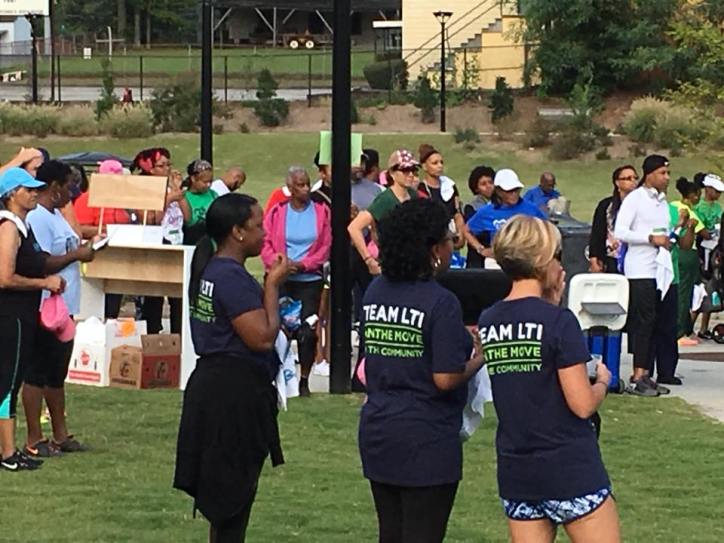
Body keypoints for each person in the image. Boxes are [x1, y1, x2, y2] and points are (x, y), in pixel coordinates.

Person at [478, 215, 620, 543]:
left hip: (517, 471)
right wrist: (602, 382)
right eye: (558, 256)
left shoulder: (490, 319)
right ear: (543, 260)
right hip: (568, 467)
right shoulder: (559, 321)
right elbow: (582, 405)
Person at [359, 198, 485, 543]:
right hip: (426, 437)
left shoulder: (375, 291)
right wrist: (479, 358)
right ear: (433, 250)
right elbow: (445, 378)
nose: (452, 246)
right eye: (448, 240)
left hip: (379, 430)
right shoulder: (441, 301)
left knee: (391, 533)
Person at [174, 193, 292, 542]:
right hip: (233, 394)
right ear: (237, 232)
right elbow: (262, 338)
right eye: (258, 226)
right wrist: (272, 286)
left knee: (225, 497)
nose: (265, 233)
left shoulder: (212, 268)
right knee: (232, 497)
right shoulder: (230, 276)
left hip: (214, 387)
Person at [23, 161, 98, 458]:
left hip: (64, 306)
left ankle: (60, 434)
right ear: (54, 187)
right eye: (70, 186)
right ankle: (34, 437)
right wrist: (76, 254)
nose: (73, 192)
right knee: (37, 372)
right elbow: (40, 262)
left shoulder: (56, 215)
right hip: (45, 305)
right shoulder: (39, 218)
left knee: (56, 372)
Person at [0, 168, 64, 472]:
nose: (35, 193)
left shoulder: (22, 226)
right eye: (28, 189)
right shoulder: (9, 228)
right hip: (10, 315)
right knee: (9, 381)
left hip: (21, 313)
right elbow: (4, 277)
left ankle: (9, 449)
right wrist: (43, 283)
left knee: (11, 380)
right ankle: (8, 452)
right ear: (12, 195)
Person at [261, 167, 331, 396]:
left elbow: (325, 246)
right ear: (290, 188)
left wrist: (303, 264)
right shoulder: (277, 212)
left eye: (307, 183)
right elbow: (265, 242)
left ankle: (304, 380)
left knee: (307, 331)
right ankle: (274, 377)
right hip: (281, 279)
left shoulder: (321, 212)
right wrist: (278, 263)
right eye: (300, 185)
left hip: (309, 280)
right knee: (276, 329)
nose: (306, 189)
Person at [614, 155, 677, 395]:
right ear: (649, 174)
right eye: (662, 173)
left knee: (656, 322)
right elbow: (621, 231)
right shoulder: (636, 198)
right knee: (643, 321)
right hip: (639, 269)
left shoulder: (662, 202)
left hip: (659, 268)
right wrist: (649, 238)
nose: (666, 178)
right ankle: (637, 374)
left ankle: (647, 373)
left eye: (667, 173)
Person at [132, 148, 185, 334]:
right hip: (155, 246)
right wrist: (168, 199)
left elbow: (187, 216)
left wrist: (176, 190)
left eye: (169, 164)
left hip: (177, 244)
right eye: (162, 165)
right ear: (150, 169)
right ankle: (153, 335)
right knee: (154, 298)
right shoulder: (144, 190)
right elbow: (150, 219)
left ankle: (178, 335)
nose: (167, 169)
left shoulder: (171, 189)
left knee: (178, 299)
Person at [348, 150, 420, 277]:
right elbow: (354, 227)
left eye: (413, 170)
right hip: (391, 264)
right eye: (405, 170)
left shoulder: (414, 195)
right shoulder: (385, 200)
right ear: (392, 173)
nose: (410, 174)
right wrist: (368, 259)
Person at [466, 169, 547, 264]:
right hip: (498, 262)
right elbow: (467, 230)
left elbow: (547, 230)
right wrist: (481, 249)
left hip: (527, 261)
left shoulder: (531, 209)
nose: (514, 194)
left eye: (516, 190)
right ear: (498, 191)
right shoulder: (487, 211)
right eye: (509, 191)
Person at [671, 177, 708, 346]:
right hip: (687, 254)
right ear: (692, 195)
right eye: (697, 195)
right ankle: (679, 332)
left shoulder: (672, 206)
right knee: (685, 294)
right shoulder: (689, 212)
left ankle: (686, 329)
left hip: (674, 252)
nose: (699, 198)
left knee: (681, 292)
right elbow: (704, 233)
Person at [589, 165, 639, 273]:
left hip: (636, 257)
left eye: (635, 178)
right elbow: (597, 233)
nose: (633, 181)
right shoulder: (606, 205)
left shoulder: (642, 204)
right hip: (612, 258)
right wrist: (594, 258)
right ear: (617, 182)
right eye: (628, 178)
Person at [417, 144, 465, 250]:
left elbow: (457, 213)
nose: (440, 166)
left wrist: (461, 233)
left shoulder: (450, 186)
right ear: (424, 166)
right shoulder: (421, 189)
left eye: (441, 162)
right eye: (435, 163)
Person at [694, 173, 724, 340]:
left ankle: (704, 327)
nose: (718, 194)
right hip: (704, 250)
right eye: (716, 191)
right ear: (708, 189)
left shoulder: (719, 208)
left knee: (714, 288)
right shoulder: (699, 208)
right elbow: (701, 231)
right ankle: (689, 325)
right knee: (704, 287)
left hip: (716, 250)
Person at [463, 165, 496, 268]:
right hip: (477, 259)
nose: (488, 186)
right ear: (476, 188)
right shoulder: (472, 207)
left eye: (490, 182)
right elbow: (472, 232)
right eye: (483, 184)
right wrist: (481, 249)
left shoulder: (502, 205)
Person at [180, 159, 218, 246]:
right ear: (193, 179)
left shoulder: (213, 195)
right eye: (205, 182)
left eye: (210, 181)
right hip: (193, 241)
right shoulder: (184, 196)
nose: (208, 185)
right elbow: (188, 222)